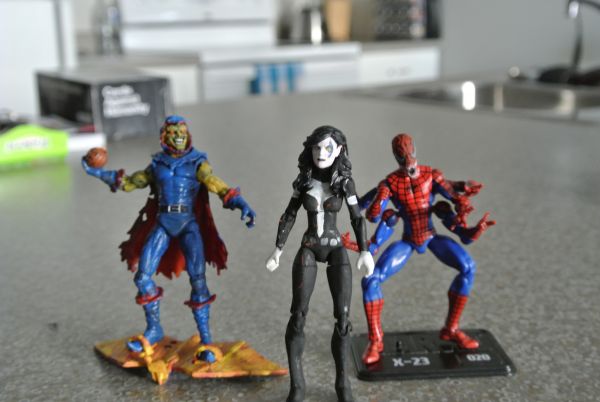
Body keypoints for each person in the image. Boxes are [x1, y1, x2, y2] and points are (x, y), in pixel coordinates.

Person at [82, 115, 255, 362]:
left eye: (182, 131)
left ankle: (206, 341)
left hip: (188, 224)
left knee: (198, 280)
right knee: (142, 277)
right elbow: (129, 183)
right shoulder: (157, 164)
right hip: (163, 223)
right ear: (165, 136)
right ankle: (154, 330)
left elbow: (217, 185)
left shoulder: (197, 163)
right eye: (174, 132)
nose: (179, 136)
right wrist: (97, 172)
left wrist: (240, 203)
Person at [358, 133, 495, 365]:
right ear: (396, 156)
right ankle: (376, 340)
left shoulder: (431, 175)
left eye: (409, 152)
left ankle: (451, 328)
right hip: (408, 240)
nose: (407, 159)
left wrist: (464, 190)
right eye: (402, 155)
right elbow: (367, 210)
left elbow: (452, 192)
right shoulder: (390, 183)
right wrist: (351, 197)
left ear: (414, 150)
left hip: (431, 236)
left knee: (468, 267)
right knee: (371, 280)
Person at [266, 125, 374, 402]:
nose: (321, 152)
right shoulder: (303, 182)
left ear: (339, 150)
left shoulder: (345, 183)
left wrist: (365, 251)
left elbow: (357, 217)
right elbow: (289, 215)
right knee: (298, 315)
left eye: (328, 147)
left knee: (343, 318)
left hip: (336, 248)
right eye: (316, 147)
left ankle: (342, 384)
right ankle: (297, 386)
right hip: (309, 248)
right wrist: (278, 249)